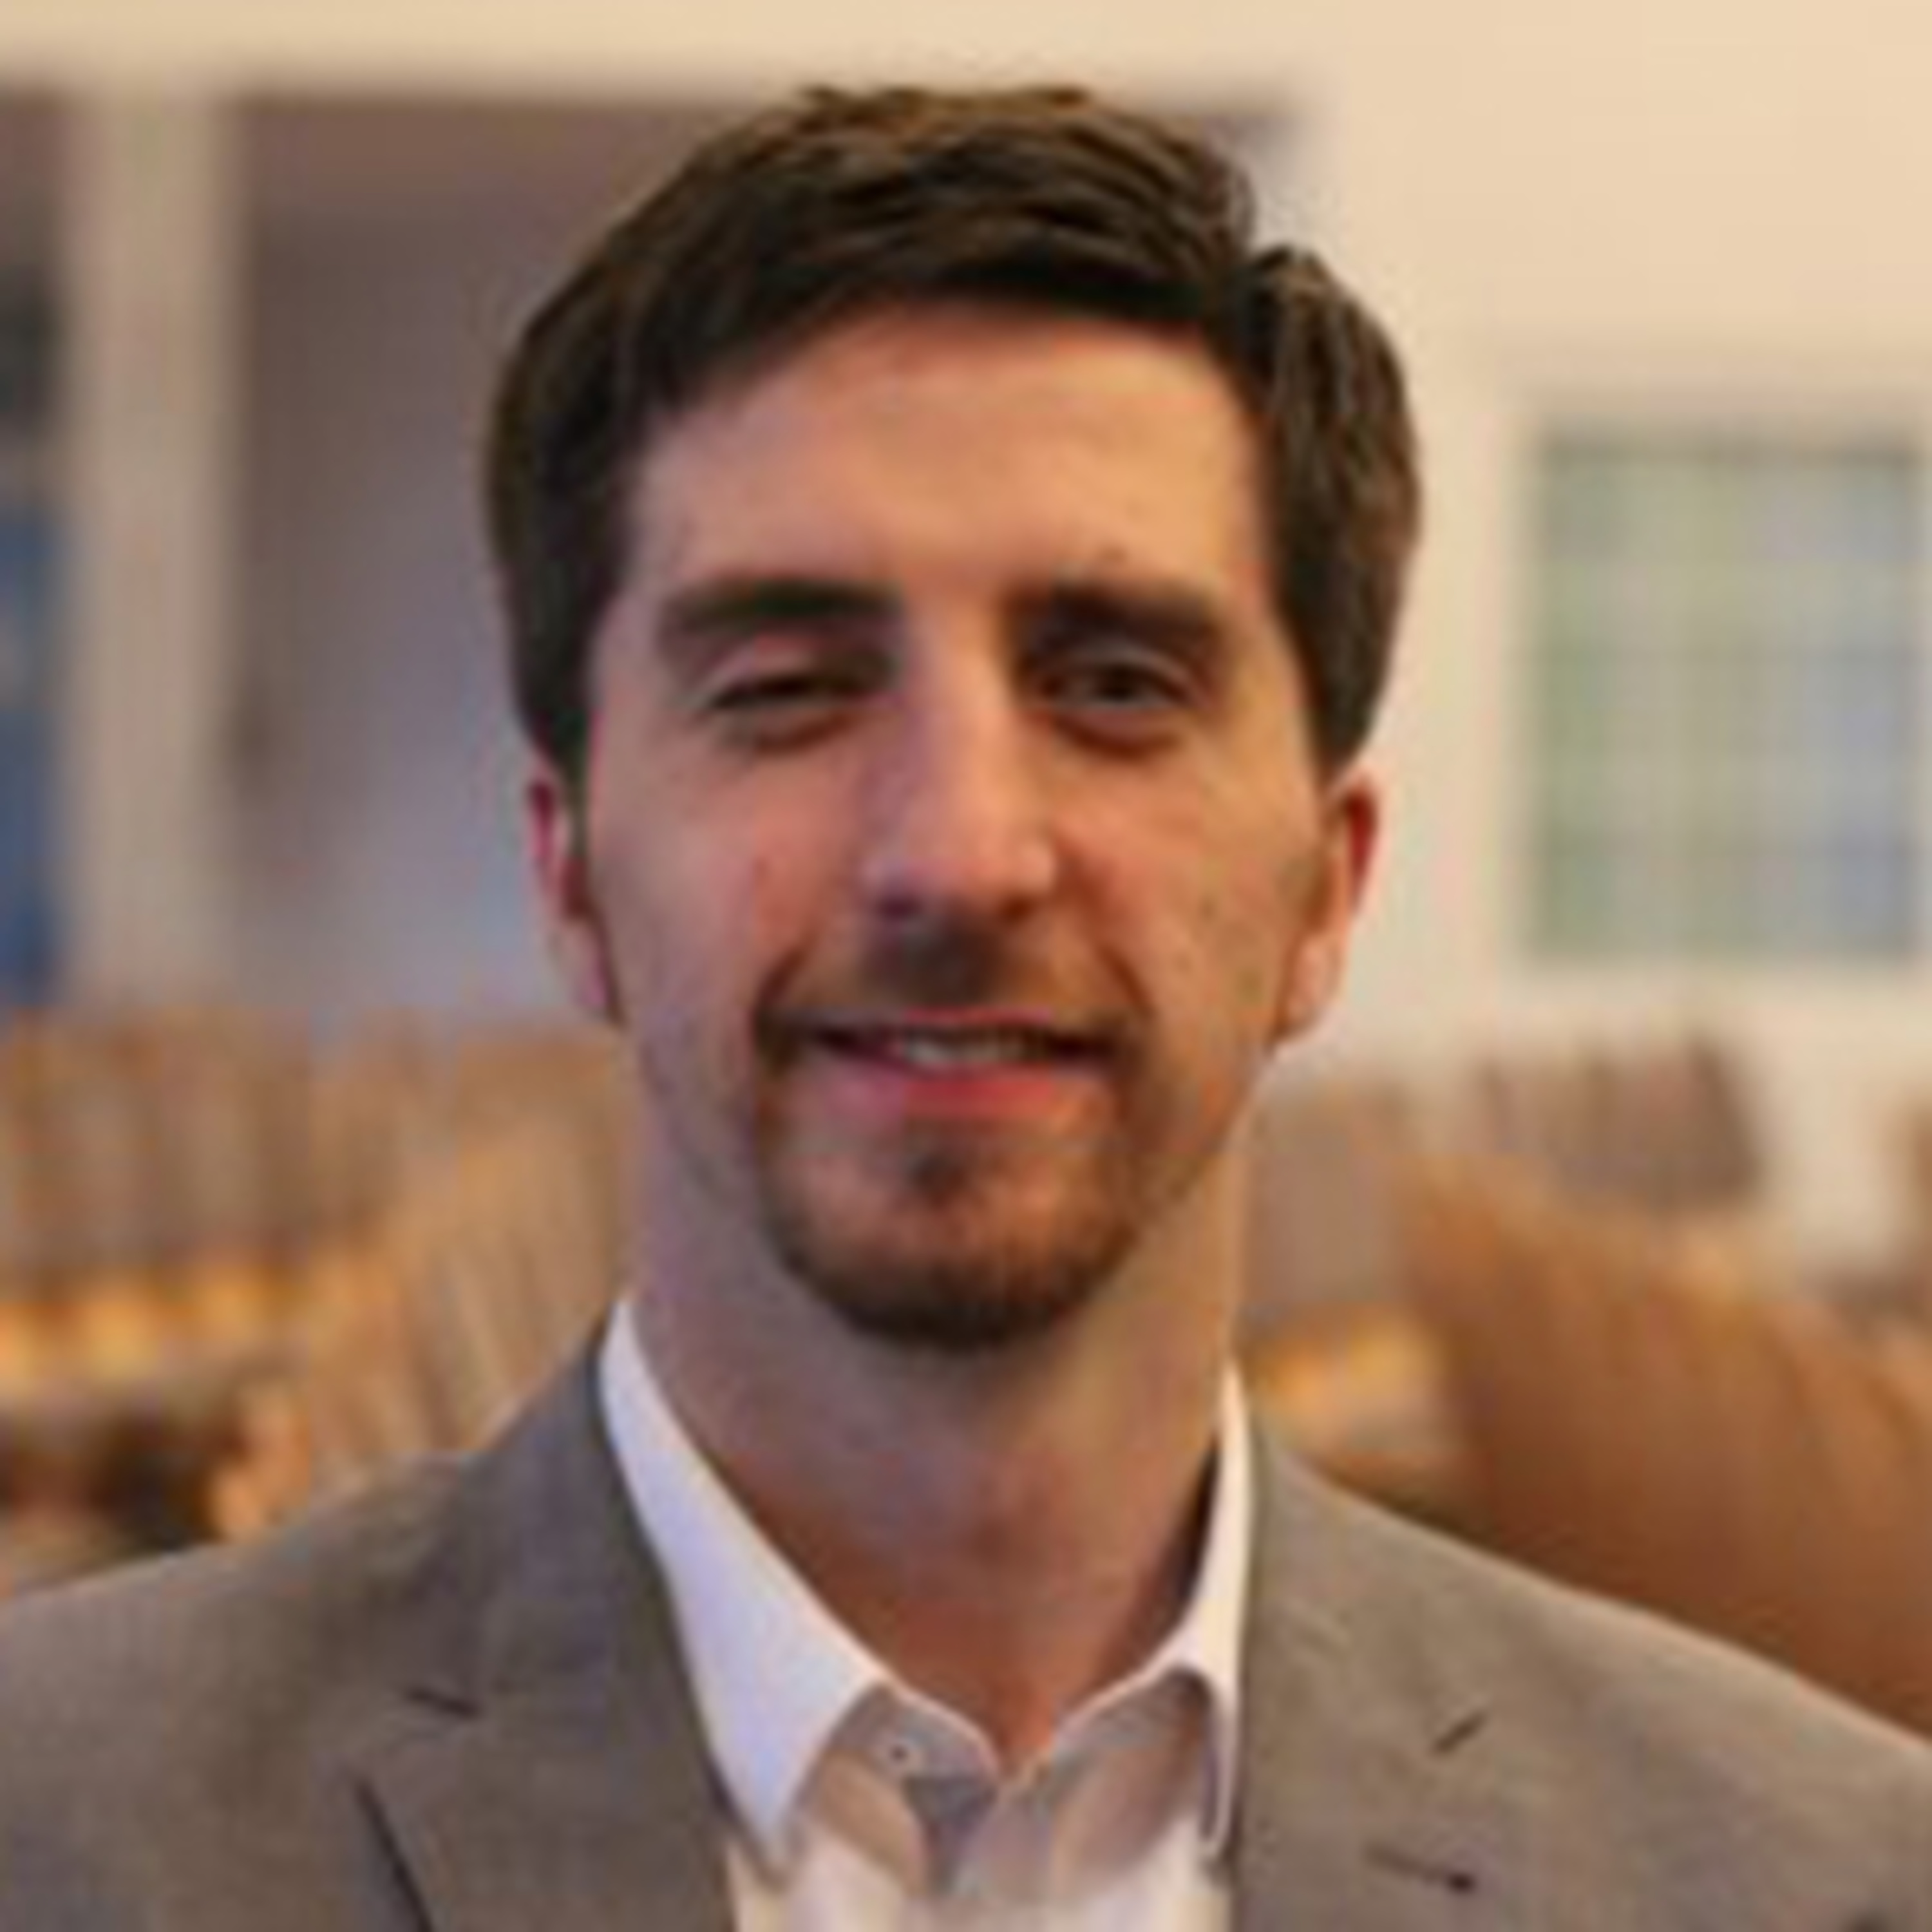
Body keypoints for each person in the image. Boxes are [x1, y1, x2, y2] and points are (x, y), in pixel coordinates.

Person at [0, 84, 1926, 1931]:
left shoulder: (1808, 1882)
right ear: (573, 876)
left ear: (1327, 889)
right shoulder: (59, 1835)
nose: (960, 854)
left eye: (1114, 685)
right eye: (787, 690)